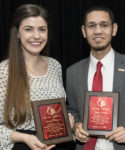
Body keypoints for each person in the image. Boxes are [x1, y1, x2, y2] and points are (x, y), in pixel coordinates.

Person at [66, 6, 125, 150]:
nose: (98, 31)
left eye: (104, 25)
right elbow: (72, 110)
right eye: (91, 26)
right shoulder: (73, 72)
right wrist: (77, 126)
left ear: (114, 29)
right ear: (84, 31)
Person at [0, 4, 74, 150]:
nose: (37, 36)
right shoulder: (4, 71)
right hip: (23, 146)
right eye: (28, 29)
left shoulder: (55, 66)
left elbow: (57, 109)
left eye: (42, 29)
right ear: (18, 33)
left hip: (60, 145)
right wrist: (24, 137)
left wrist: (66, 119)